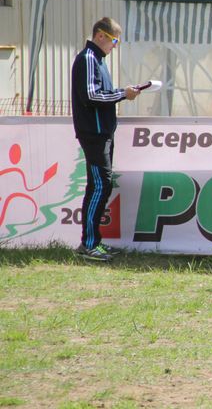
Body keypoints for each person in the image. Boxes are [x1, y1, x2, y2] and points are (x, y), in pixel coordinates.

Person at [71, 17, 141, 261]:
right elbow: (90, 95)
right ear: (100, 36)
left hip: (102, 132)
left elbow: (99, 94)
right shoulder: (88, 59)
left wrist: (122, 93)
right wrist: (123, 94)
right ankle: (89, 244)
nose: (115, 45)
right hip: (94, 133)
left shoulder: (97, 60)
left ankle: (93, 242)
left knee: (99, 184)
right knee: (101, 185)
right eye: (114, 40)